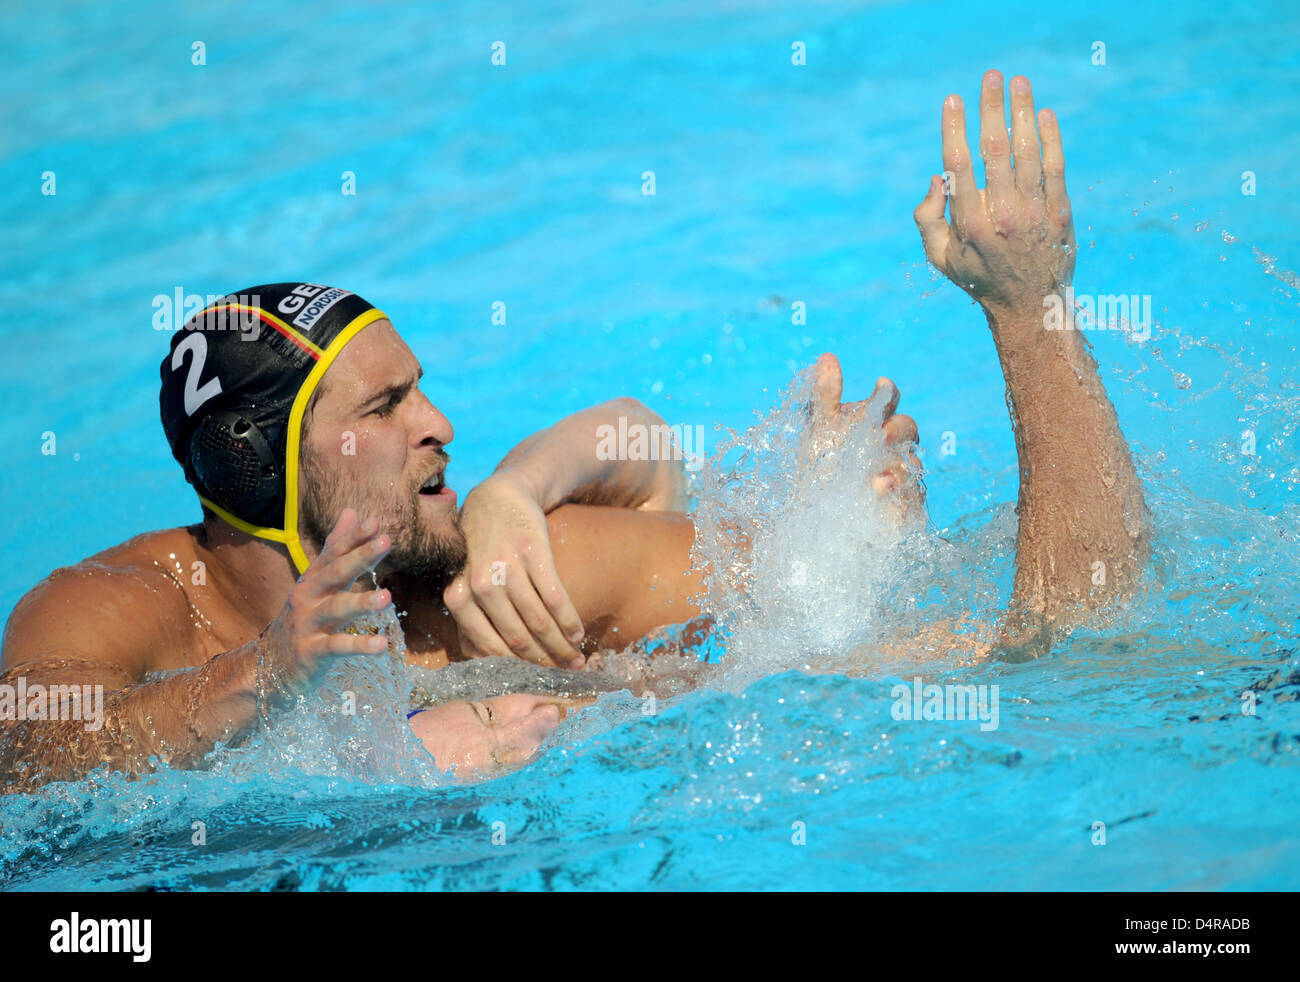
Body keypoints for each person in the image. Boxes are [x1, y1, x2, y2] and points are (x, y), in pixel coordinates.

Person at [0, 70, 1145, 791]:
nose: (439, 423)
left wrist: (1027, 317)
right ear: (257, 469)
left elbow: (1052, 650)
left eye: (423, 390)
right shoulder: (125, 608)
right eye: (387, 408)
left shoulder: (486, 591)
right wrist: (274, 674)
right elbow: (28, 755)